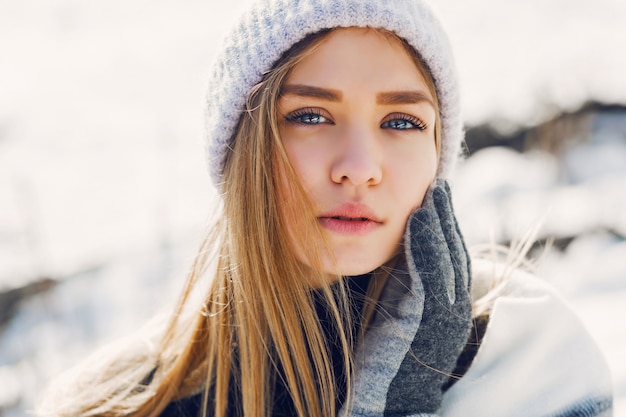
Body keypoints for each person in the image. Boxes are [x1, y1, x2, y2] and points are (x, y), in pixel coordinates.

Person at [37, 0, 613, 416]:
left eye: (401, 122)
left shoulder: (528, 359)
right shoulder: (115, 403)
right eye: (311, 115)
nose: (359, 166)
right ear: (244, 151)